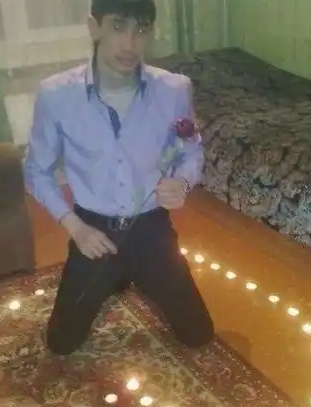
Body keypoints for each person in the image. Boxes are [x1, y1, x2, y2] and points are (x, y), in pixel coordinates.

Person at [23, 0, 214, 356]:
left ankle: (127, 274)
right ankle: (117, 275)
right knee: (61, 344)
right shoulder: (56, 94)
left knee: (198, 334)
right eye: (117, 27)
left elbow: (191, 149)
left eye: (141, 30)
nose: (129, 43)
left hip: (151, 228)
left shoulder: (174, 89)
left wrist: (183, 182)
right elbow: (36, 171)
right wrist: (75, 227)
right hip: (93, 230)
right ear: (94, 27)